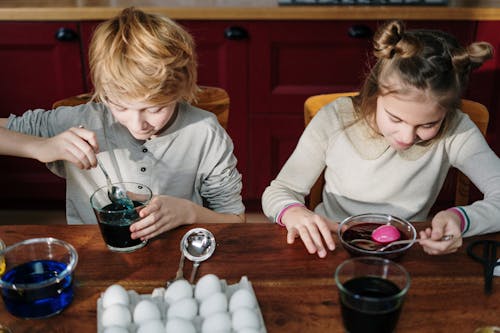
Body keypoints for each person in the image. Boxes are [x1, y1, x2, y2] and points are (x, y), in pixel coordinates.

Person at [0, 7, 245, 240]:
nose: (138, 124)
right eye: (120, 107)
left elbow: (235, 221)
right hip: (94, 255)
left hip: (176, 253)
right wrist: (39, 147)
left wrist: (189, 213)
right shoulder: (80, 120)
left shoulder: (204, 132)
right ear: (103, 93)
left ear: (181, 89)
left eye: (155, 108)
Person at [262, 20, 500, 258]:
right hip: (330, 245)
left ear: (446, 112)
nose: (407, 138)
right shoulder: (336, 119)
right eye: (395, 119)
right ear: (375, 93)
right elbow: (280, 190)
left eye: (428, 124)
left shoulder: (457, 130)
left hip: (406, 249)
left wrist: (461, 219)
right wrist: (293, 211)